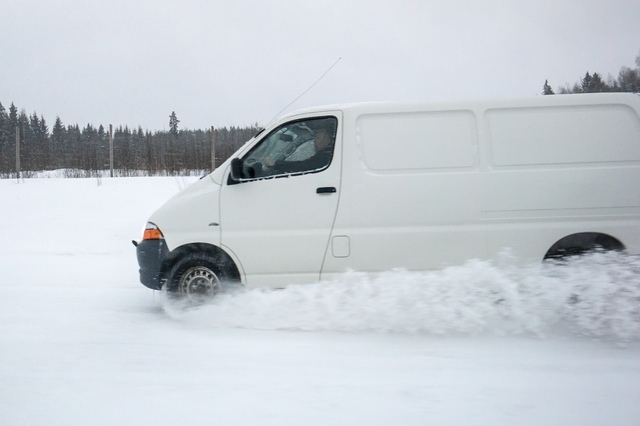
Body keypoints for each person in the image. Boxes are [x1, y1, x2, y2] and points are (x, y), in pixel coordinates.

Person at [264, 125, 335, 174]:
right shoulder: (326, 153)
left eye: (319, 137)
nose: (315, 141)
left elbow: (305, 166)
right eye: (315, 137)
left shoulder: (327, 155)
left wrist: (276, 164)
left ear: (328, 139)